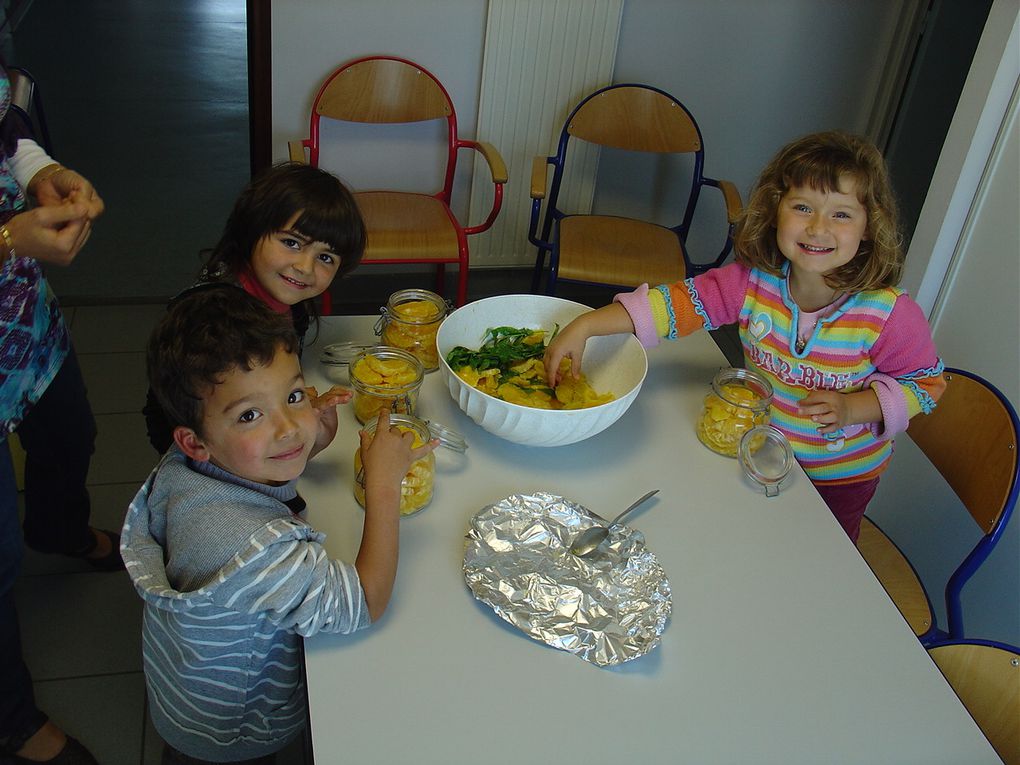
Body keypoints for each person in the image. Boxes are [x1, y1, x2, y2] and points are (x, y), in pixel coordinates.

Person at [544, 131, 945, 543]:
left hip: (840, 479)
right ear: (776, 211)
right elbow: (676, 304)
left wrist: (854, 408)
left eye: (841, 214)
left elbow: (928, 385)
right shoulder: (752, 283)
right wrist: (587, 324)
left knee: (815, 558)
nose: (818, 227)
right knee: (754, 543)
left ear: (868, 227)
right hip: (761, 451)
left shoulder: (890, 315)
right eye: (803, 207)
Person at [122, 287, 437, 763]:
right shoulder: (257, 551)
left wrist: (310, 444)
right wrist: (384, 487)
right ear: (195, 441)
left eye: (293, 395)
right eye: (250, 414)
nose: (290, 427)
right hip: (233, 726)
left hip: (181, 684)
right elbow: (364, 602)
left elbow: (248, 468)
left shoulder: (184, 468)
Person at [0, 66, 110, 764]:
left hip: (19, 329)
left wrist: (44, 171)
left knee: (71, 433)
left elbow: (6, 122)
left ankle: (57, 528)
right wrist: (9, 240)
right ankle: (9, 719)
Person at [142, 161, 366, 454]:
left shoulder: (285, 296)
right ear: (252, 229)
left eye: (326, 258)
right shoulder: (220, 327)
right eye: (292, 242)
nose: (304, 267)